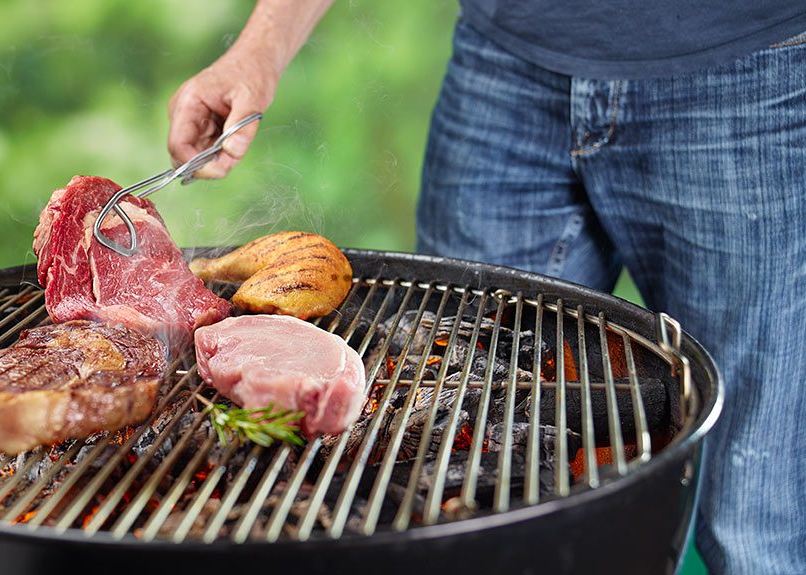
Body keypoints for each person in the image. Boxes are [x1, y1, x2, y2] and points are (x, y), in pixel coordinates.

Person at [165, 1, 806, 573]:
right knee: (442, 461)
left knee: (754, 524)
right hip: (505, 62)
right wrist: (260, 50)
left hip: (745, 67)